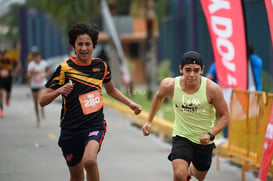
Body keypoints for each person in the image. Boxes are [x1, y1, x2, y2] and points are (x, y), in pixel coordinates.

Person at [39, 22, 142, 181]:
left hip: (94, 124)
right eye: (80, 44)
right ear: (73, 45)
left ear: (94, 46)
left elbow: (111, 90)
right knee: (77, 176)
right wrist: (59, 91)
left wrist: (131, 104)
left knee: (90, 161)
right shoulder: (64, 69)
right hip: (70, 129)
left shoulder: (101, 67)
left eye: (88, 44)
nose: (84, 48)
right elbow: (43, 101)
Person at [142, 51, 229, 181]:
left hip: (204, 140)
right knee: (179, 174)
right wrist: (149, 121)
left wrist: (211, 134)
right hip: (182, 136)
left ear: (202, 70)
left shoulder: (212, 89)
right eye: (188, 70)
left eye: (196, 70)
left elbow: (225, 116)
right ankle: (184, 171)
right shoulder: (169, 85)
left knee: (199, 175)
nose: (192, 74)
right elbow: (159, 97)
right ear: (181, 69)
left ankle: (190, 170)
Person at [206, 62, 228, 145]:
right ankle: (225, 136)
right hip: (229, 94)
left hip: (220, 94)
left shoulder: (217, 64)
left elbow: (209, 77)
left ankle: (224, 137)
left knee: (222, 115)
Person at [27, 51, 50, 127]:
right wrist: (30, 75)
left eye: (38, 57)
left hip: (42, 84)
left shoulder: (44, 63)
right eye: (35, 57)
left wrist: (46, 75)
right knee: (36, 103)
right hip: (34, 86)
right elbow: (28, 75)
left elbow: (48, 71)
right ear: (33, 58)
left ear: (40, 57)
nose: (37, 59)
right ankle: (37, 117)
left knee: (41, 98)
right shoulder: (31, 65)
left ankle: (42, 108)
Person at [0, 48, 21, 117]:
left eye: (4, 54)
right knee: (0, 93)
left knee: (8, 94)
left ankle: (7, 99)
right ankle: (2, 109)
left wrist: (15, 72)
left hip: (8, 78)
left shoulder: (9, 59)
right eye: (1, 54)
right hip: (1, 79)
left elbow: (18, 63)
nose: (3, 55)